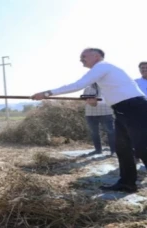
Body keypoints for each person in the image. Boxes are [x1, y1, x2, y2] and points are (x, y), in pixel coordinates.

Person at [31, 48, 147, 193]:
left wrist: (47, 93)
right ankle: (127, 183)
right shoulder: (105, 72)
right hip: (122, 110)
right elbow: (116, 94)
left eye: (84, 56)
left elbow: (78, 84)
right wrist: (98, 101)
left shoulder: (103, 66)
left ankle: (127, 182)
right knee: (122, 149)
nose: (81, 60)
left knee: (143, 149)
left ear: (96, 56)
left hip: (135, 109)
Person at [82, 83, 116, 156]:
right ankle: (98, 150)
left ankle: (114, 151)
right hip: (90, 113)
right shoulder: (87, 88)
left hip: (106, 112)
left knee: (110, 132)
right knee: (94, 132)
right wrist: (89, 101)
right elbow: (84, 98)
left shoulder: (107, 86)